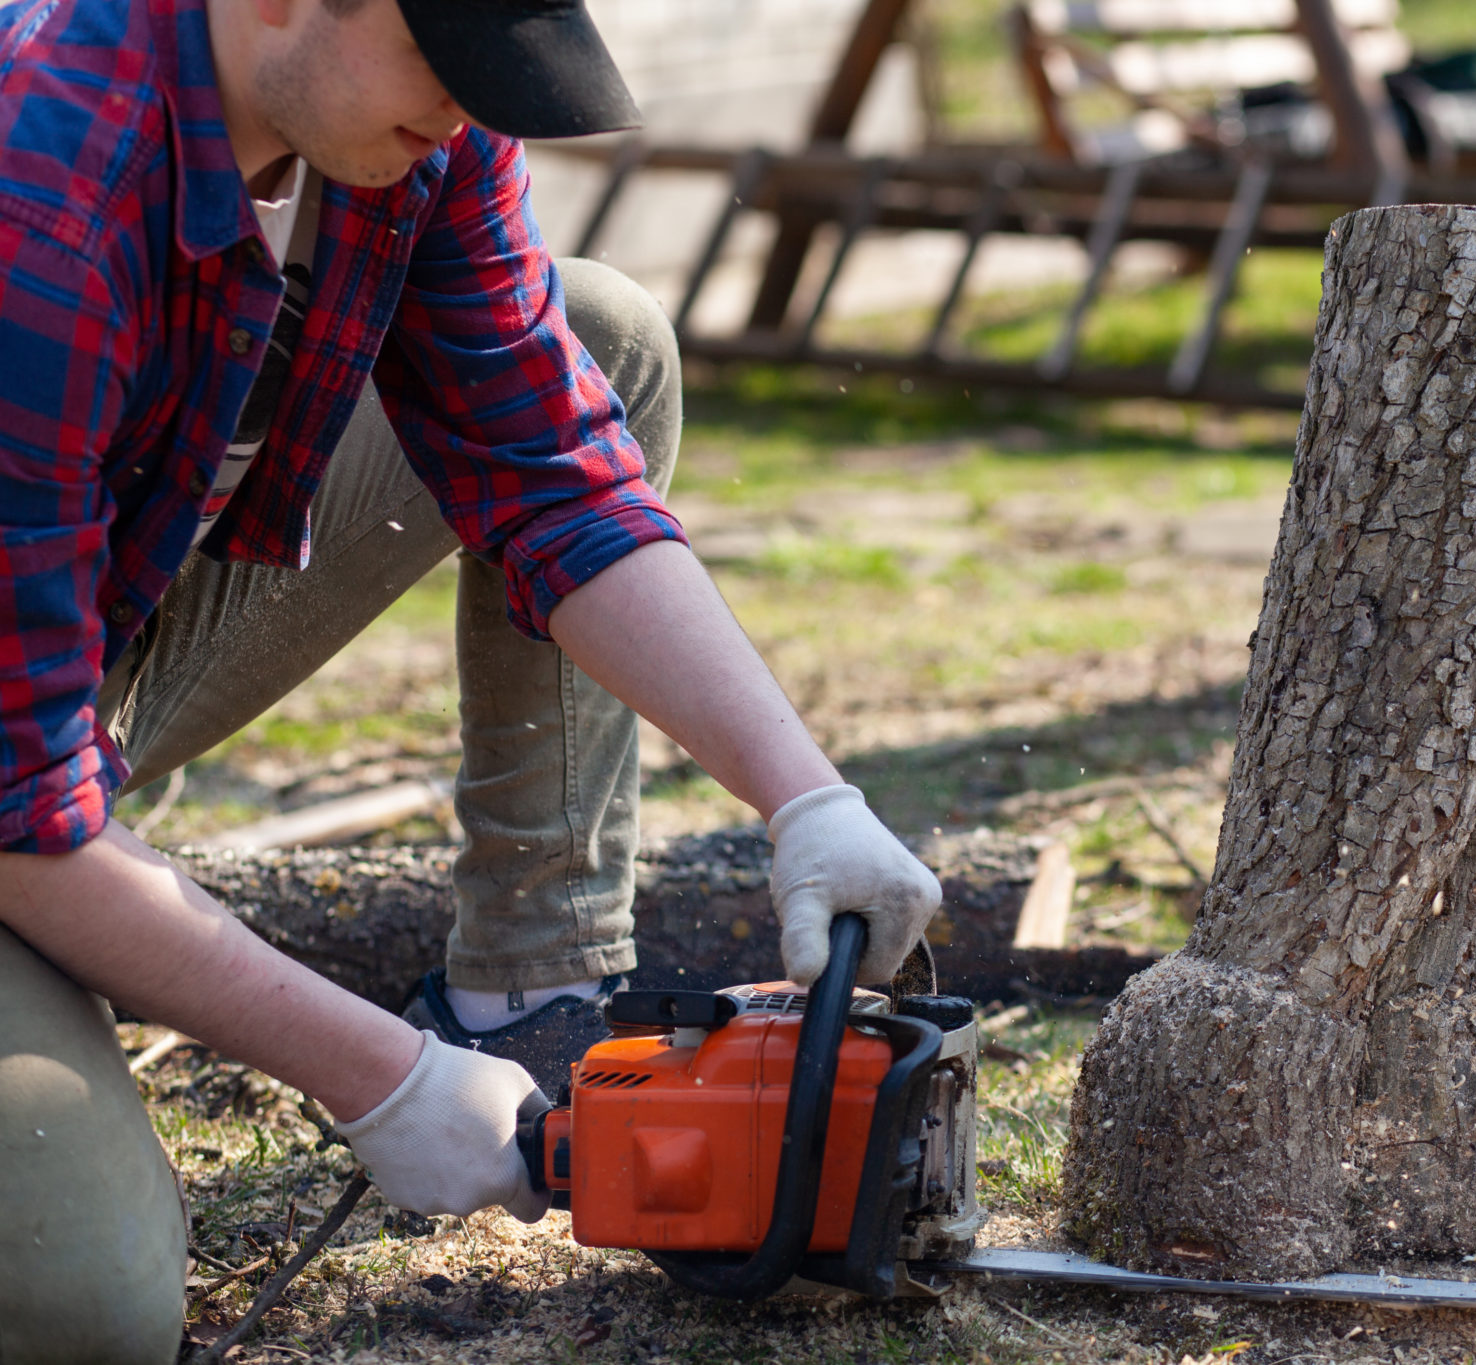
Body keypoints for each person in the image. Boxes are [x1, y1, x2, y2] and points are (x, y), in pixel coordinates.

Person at [0, 0, 942, 1359]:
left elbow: (555, 478)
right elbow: (16, 801)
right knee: (84, 1309)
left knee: (596, 330)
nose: (465, 111)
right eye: (446, 61)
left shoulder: (394, 130)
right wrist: (378, 1077)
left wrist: (810, 801)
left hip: (77, 664)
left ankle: (527, 997)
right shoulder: (41, 197)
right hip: (17, 780)